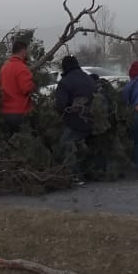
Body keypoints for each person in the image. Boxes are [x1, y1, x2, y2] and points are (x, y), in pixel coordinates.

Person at [53, 56, 96, 185]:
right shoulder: (88, 78)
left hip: (76, 120)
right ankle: (89, 171)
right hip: (94, 120)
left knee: (67, 143)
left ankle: (74, 175)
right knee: (82, 144)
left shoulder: (65, 82)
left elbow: (61, 105)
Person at [0, 40, 36, 134]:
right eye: (26, 51)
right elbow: (26, 89)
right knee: (26, 142)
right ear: (23, 51)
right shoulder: (22, 68)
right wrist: (33, 85)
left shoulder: (4, 68)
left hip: (6, 112)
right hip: (20, 112)